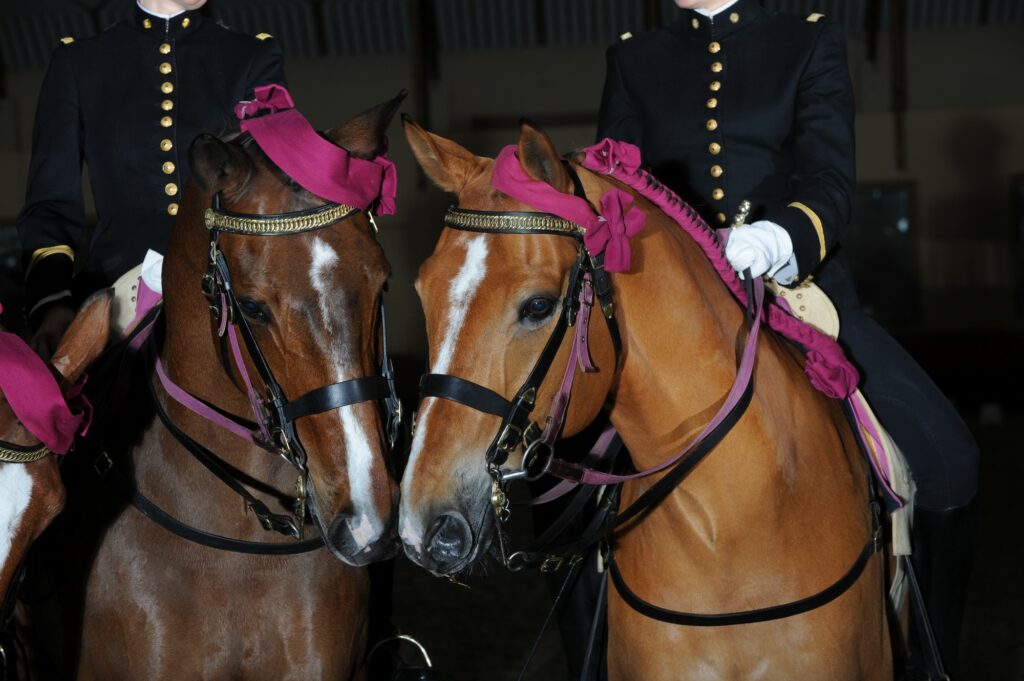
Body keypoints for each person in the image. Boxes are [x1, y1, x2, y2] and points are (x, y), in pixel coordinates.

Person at [596, 0, 978, 677]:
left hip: (803, 291)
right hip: (674, 311)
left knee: (950, 459)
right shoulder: (635, 58)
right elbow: (617, 193)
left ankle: (931, 659)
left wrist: (775, 239)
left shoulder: (809, 39)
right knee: (568, 492)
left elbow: (830, 182)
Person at [17, 0, 285, 356]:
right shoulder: (79, 63)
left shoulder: (251, 56)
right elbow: (50, 204)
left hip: (233, 297)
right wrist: (51, 304)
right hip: (115, 303)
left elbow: (281, 187)